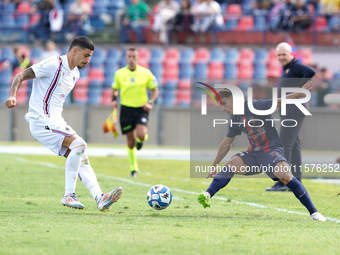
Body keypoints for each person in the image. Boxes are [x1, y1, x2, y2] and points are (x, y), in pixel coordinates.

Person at [5, 36, 122, 211]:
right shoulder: (53, 64)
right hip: (41, 120)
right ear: (74, 51)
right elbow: (20, 75)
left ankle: (100, 198)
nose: (88, 60)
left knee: (81, 157)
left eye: (90, 56)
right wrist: (13, 95)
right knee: (80, 144)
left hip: (54, 122)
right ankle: (69, 195)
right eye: (86, 55)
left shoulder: (75, 74)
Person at [197, 82, 326, 221]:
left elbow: (277, 102)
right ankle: (208, 194)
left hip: (271, 151)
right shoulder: (235, 118)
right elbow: (226, 143)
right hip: (253, 154)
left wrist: (297, 94)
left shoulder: (256, 106)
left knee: (286, 176)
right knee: (233, 162)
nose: (223, 108)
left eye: (224, 103)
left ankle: (314, 212)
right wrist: (215, 164)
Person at [266, 42, 315, 192]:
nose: (281, 57)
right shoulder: (287, 68)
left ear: (291, 54)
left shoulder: (295, 66)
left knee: (284, 145)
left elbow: (310, 71)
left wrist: (301, 90)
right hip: (289, 110)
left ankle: (283, 181)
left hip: (294, 111)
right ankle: (296, 180)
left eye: (284, 54)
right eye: (279, 55)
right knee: (294, 146)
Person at [112, 47, 159, 177]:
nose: (131, 59)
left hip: (141, 109)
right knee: (130, 141)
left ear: (138, 58)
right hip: (126, 109)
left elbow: (155, 89)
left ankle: (141, 140)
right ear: (126, 58)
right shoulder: (119, 74)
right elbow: (115, 88)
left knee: (142, 134)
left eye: (134, 57)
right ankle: (134, 168)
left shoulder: (146, 73)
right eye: (129, 56)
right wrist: (114, 99)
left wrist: (150, 103)